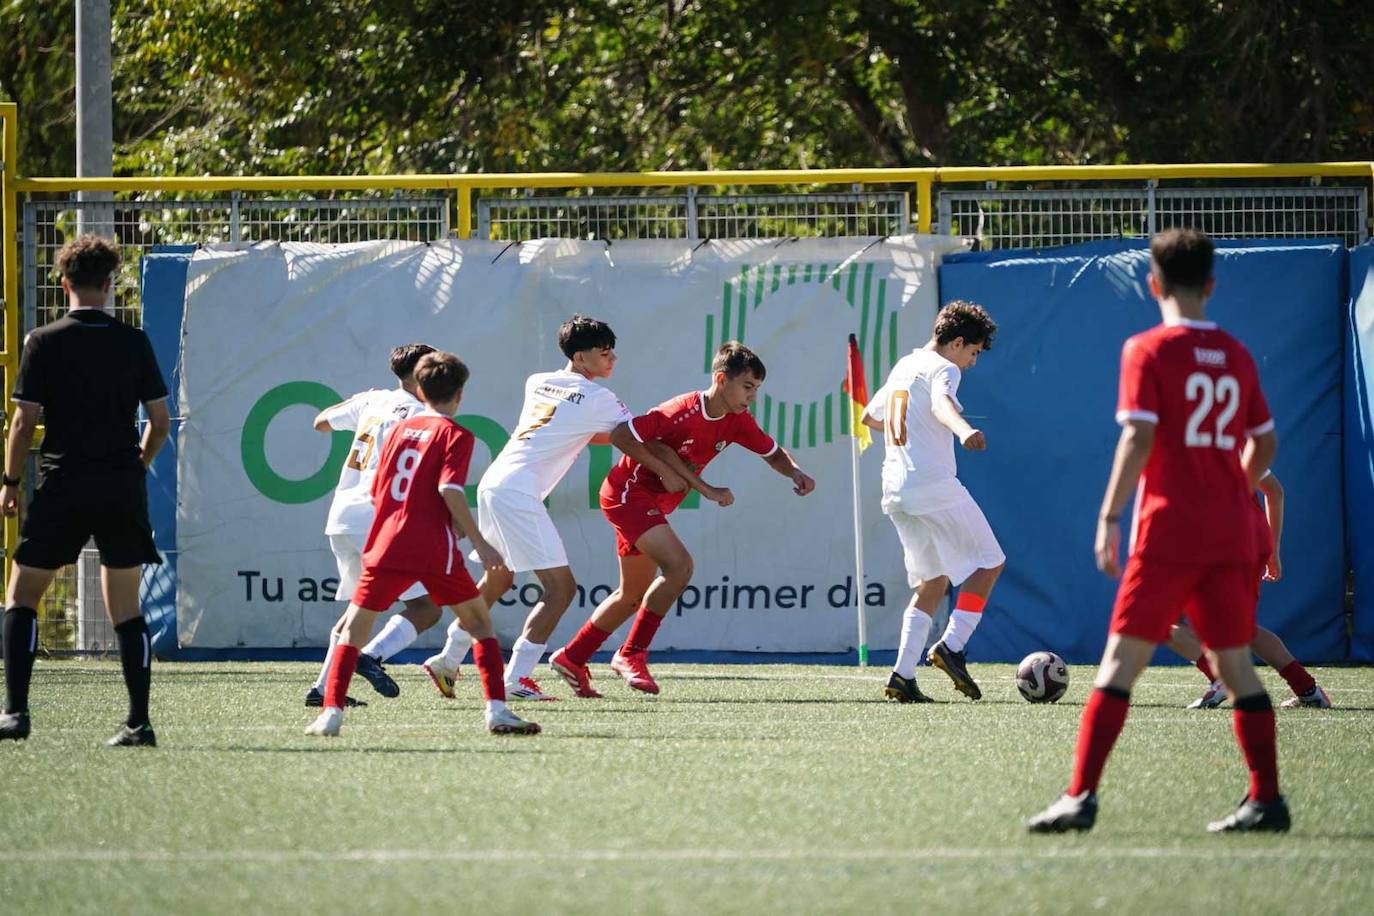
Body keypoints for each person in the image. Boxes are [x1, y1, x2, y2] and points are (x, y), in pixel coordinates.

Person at [1028, 228, 1288, 834]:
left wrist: (1109, 516)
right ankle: (1266, 800)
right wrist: (1233, 486)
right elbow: (1268, 441)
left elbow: (1139, 437)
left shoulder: (1147, 349)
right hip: (1229, 530)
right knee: (1236, 665)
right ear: (1212, 284)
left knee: (1120, 662)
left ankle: (1080, 796)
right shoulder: (1235, 352)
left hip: (1169, 527)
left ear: (1153, 284)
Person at [420, 315, 687, 702]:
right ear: (580, 357)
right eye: (604, 352)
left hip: (494, 484)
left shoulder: (538, 381)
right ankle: (516, 679)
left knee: (498, 579)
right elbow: (631, 438)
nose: (613, 359)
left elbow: (583, 431)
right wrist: (666, 470)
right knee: (561, 589)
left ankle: (448, 658)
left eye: (613, 350)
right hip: (518, 492)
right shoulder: (600, 398)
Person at [548, 341, 816, 698]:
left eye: (757, 389)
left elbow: (772, 453)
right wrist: (687, 480)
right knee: (680, 567)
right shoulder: (680, 410)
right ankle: (630, 655)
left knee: (631, 595)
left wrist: (795, 472)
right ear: (722, 379)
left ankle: (572, 656)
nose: (752, 396)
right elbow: (622, 435)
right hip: (628, 495)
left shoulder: (737, 421)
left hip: (651, 504)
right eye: (747, 387)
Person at [305, 352, 537, 737]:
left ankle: (329, 713)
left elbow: (380, 488)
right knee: (479, 622)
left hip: (385, 541)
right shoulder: (456, 434)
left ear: (419, 388)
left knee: (355, 628)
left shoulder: (398, 429)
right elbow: (449, 489)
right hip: (432, 545)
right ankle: (497, 711)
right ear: (459, 394)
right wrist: (478, 539)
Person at [0, 235, 171, 746]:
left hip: (63, 481)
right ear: (109, 284)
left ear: (64, 282)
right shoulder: (132, 340)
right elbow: (159, 422)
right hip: (119, 482)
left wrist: (10, 482)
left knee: (21, 595)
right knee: (126, 606)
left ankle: (15, 714)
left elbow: (22, 422)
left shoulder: (42, 340)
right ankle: (138, 723)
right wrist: (136, 464)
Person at [303, 343, 470, 707]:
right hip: (380, 521)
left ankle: (323, 689)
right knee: (427, 607)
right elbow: (429, 480)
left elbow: (321, 421)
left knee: (356, 612)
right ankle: (369, 658)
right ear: (420, 374)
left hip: (343, 518)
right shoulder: (423, 416)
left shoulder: (373, 400)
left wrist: (364, 402)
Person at [861, 301, 1005, 703]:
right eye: (973, 352)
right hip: (931, 485)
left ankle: (902, 675)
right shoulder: (945, 367)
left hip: (895, 490)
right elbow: (942, 405)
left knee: (934, 580)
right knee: (991, 562)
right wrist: (962, 430)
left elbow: (871, 417)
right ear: (957, 343)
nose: (972, 362)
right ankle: (953, 645)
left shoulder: (904, 365)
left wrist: (913, 428)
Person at [1167, 469, 1330, 709]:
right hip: (1250, 538)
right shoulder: (1238, 440)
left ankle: (1220, 679)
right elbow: (1275, 491)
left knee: (1161, 619)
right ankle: (1307, 689)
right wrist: (1273, 550)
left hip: (1214, 539)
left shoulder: (1185, 443)